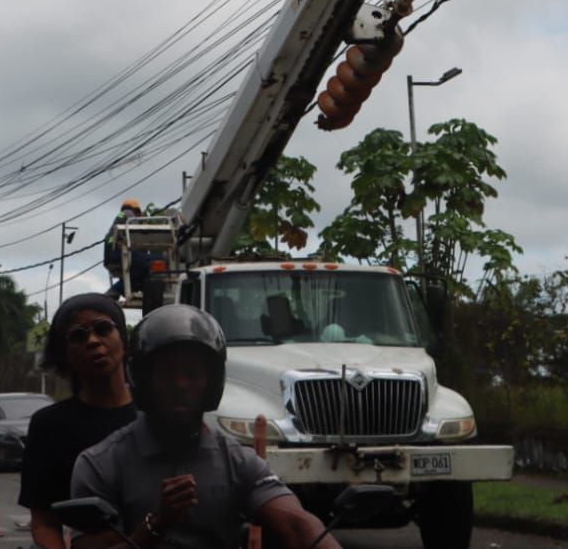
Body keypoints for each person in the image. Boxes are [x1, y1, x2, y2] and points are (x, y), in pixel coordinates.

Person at [71, 305, 341, 549]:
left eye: (193, 374)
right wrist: (156, 525)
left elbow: (298, 526)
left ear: (212, 384)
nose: (181, 385)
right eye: (167, 373)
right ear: (143, 380)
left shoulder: (237, 461)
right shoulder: (100, 464)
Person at [19, 294, 139, 549]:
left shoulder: (156, 412)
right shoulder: (49, 426)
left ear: (124, 341)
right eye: (78, 336)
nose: (93, 341)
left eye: (103, 329)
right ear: (65, 357)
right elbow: (43, 522)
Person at [104, 198, 153, 299]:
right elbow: (134, 229)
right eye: (139, 214)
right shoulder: (128, 213)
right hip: (119, 252)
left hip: (111, 254)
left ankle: (115, 290)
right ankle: (118, 289)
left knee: (136, 269)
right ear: (136, 210)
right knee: (148, 262)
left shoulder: (120, 218)